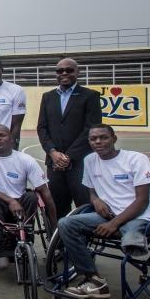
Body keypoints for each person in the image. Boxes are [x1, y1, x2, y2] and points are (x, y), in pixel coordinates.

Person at [58, 125, 150, 299]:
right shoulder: (89, 160)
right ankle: (94, 280)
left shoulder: (136, 159)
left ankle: (132, 237)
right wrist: (96, 201)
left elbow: (142, 200)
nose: (98, 142)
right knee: (66, 224)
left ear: (114, 138)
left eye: (103, 137)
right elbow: (91, 191)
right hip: (105, 216)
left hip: (137, 216)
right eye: (93, 139)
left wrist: (114, 223)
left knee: (131, 241)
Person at [0, 124, 56, 268]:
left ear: (11, 139)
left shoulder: (25, 159)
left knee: (32, 197)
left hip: (20, 202)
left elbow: (44, 191)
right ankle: (3, 249)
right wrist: (9, 200)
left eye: (1, 135)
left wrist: (54, 226)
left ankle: (26, 240)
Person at [36, 58, 103, 218]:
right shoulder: (48, 97)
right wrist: (53, 152)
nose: (64, 73)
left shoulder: (90, 96)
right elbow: (42, 128)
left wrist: (68, 157)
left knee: (85, 206)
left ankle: (82, 242)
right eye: (60, 71)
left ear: (77, 72)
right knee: (57, 207)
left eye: (69, 70)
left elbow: (91, 129)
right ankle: (58, 242)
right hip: (54, 164)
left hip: (80, 164)